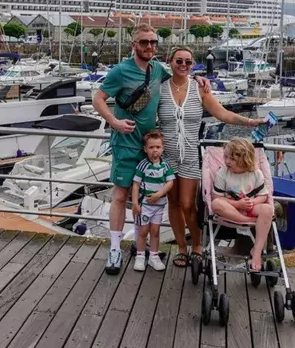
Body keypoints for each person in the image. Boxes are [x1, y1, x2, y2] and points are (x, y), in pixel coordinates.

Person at [93, 24, 209, 275]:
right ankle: (114, 249)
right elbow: (98, 98)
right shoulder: (120, 71)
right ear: (133, 45)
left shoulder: (157, 69)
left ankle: (141, 245)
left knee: (147, 196)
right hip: (126, 143)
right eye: (144, 42)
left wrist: (199, 78)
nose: (149, 46)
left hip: (150, 146)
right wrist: (113, 121)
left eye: (153, 42)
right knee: (121, 196)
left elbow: (180, 76)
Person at [158, 46, 266, 268]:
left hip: (190, 155)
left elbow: (222, 113)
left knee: (188, 204)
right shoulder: (160, 89)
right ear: (170, 62)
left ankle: (197, 245)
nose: (183, 65)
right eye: (179, 61)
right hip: (166, 156)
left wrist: (250, 122)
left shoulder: (199, 89)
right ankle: (181, 248)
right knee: (173, 204)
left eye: (188, 62)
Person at [209, 138, 274, 271]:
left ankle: (257, 251)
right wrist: (238, 204)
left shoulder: (256, 173)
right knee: (216, 203)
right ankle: (247, 220)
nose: (227, 161)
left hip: (251, 207)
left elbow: (263, 195)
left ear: (245, 160)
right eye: (226, 157)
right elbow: (217, 197)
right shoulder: (222, 173)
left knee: (268, 209)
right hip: (231, 208)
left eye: (232, 159)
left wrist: (253, 202)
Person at [131, 130, 175, 272]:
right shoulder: (143, 165)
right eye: (151, 147)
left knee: (155, 231)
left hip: (159, 205)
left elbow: (170, 182)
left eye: (157, 147)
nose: (154, 150)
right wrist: (135, 203)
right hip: (145, 205)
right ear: (145, 149)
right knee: (143, 231)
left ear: (162, 148)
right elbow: (136, 184)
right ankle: (140, 256)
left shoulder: (165, 166)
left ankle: (153, 256)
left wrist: (159, 194)